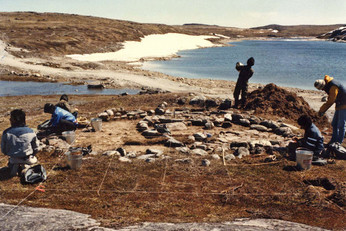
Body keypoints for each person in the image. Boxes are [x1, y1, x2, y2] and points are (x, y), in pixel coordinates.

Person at [1, 109, 39, 176]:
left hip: (14, 159)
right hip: (28, 159)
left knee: (12, 162)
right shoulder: (31, 131)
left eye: (11, 118)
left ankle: (14, 168)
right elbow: (36, 148)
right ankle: (26, 169)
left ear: (14, 120)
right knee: (34, 160)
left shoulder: (6, 133)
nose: (10, 120)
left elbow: (4, 150)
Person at [314, 75, 346, 144]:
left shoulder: (333, 86)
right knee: (334, 124)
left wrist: (322, 110)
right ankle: (334, 140)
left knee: (341, 125)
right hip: (339, 104)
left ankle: (338, 143)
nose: (322, 90)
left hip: (344, 104)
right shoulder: (328, 84)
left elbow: (331, 100)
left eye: (322, 89)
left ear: (323, 85)